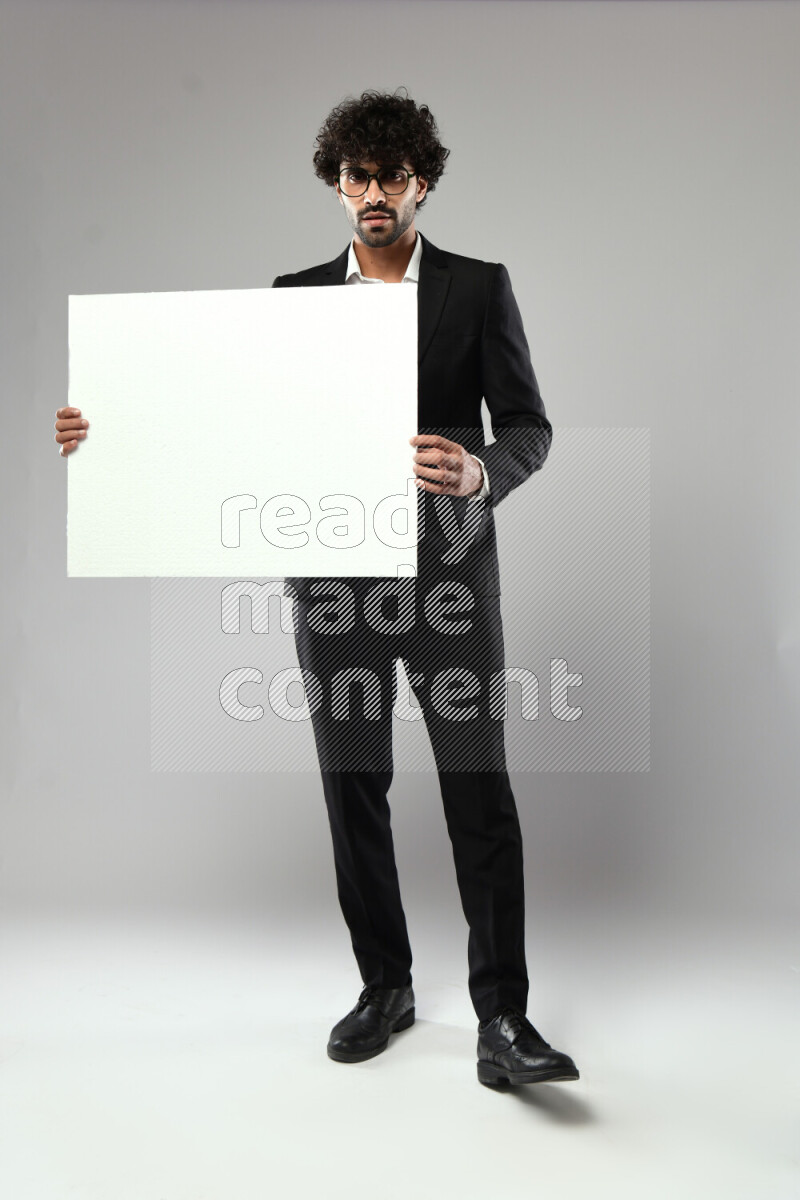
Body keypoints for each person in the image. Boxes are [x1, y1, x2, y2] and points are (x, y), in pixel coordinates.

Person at [55, 88, 579, 1090]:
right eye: (355, 177)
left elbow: (528, 426)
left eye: (390, 176)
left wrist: (479, 471)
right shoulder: (293, 296)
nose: (372, 193)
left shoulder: (475, 288)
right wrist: (105, 434)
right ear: (337, 185)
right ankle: (385, 987)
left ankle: (502, 1018)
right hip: (334, 587)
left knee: (478, 793)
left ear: (420, 182)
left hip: (446, 585)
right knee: (355, 792)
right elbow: (226, 423)